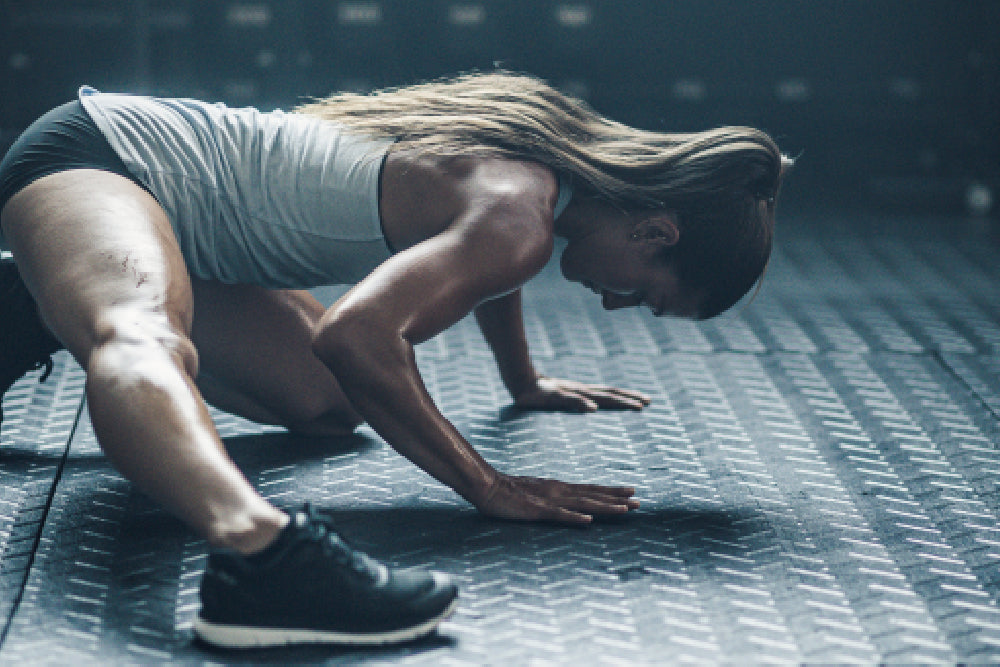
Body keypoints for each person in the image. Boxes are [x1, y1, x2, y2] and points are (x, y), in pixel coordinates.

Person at [0, 71, 790, 648]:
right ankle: (258, 551)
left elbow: (478, 267)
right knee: (145, 336)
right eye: (646, 294)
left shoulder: (545, 171)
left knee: (326, 405)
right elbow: (354, 334)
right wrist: (487, 485)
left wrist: (524, 380)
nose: (620, 304)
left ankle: (35, 299)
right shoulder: (521, 218)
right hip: (105, 158)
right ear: (658, 234)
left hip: (174, 221)